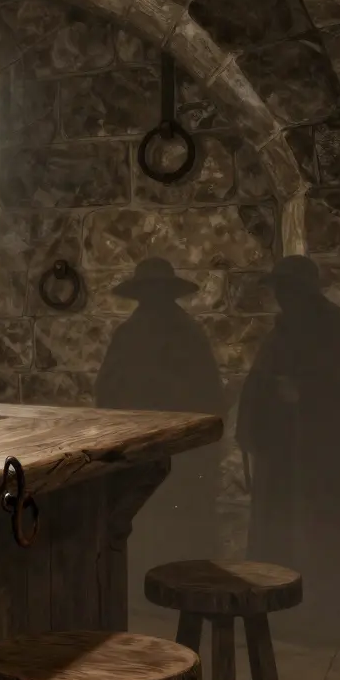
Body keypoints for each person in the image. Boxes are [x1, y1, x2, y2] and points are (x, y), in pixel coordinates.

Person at [237, 255, 340, 641]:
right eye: (279, 290)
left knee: (327, 533)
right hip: (281, 458)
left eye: (289, 289)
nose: (282, 297)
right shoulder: (278, 337)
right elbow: (257, 386)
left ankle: (334, 616)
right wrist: (254, 423)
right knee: (280, 535)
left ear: (306, 292)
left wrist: (306, 397)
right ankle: (281, 611)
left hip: (326, 459)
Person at [96, 258, 227, 606]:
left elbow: (208, 395)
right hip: (140, 446)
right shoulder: (130, 335)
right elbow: (107, 392)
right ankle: (148, 591)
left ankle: (182, 591)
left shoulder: (187, 335)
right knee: (147, 521)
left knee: (178, 522)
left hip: (181, 450)